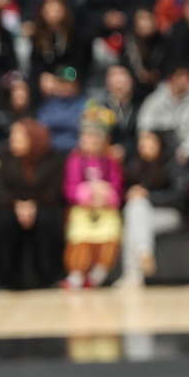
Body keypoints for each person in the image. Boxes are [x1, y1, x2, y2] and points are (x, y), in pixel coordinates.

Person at [0, 120, 65, 290]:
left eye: (18, 136)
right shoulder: (6, 158)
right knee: (4, 221)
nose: (12, 139)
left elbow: (54, 191)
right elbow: (0, 189)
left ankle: (48, 276)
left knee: (46, 220)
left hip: (44, 205)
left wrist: (33, 204)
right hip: (11, 206)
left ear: (33, 138)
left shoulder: (53, 159)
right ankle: (6, 277)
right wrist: (17, 204)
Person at [61, 118, 124, 289]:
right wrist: (87, 195)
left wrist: (106, 195)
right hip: (83, 209)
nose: (90, 141)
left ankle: (98, 273)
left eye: (95, 138)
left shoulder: (110, 160)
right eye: (87, 137)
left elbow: (117, 184)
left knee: (110, 237)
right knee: (80, 239)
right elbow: (70, 187)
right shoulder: (75, 160)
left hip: (106, 209)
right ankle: (76, 273)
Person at [122, 130, 187, 286]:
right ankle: (144, 254)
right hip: (142, 216)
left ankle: (132, 275)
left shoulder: (173, 164)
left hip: (170, 215)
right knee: (136, 211)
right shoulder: (133, 166)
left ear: (160, 144)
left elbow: (179, 197)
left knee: (135, 219)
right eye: (142, 142)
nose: (145, 146)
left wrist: (148, 196)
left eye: (150, 142)